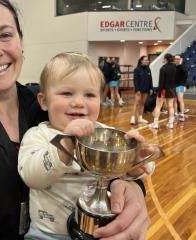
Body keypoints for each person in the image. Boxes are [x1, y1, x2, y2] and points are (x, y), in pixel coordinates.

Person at [0, 1, 151, 239]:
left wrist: (131, 185)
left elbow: (111, 163)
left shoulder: (54, 106)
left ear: (20, 41)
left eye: (5, 35)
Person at [18, 52, 153, 240]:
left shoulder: (105, 134)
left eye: (90, 95)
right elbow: (32, 177)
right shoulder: (38, 135)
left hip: (98, 231)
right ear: (44, 101)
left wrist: (135, 162)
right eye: (67, 93)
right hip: (46, 234)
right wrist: (65, 144)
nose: (79, 103)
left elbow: (126, 172)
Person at [149, 53, 176, 129]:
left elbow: (161, 82)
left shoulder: (163, 68)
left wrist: (159, 92)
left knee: (158, 106)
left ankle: (155, 124)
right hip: (172, 89)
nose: (162, 59)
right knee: (171, 106)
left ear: (166, 59)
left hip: (164, 89)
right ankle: (171, 124)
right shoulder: (175, 67)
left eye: (163, 58)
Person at [130, 56, 153, 125]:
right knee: (136, 103)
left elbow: (150, 80)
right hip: (139, 90)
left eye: (147, 60)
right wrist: (137, 90)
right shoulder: (137, 69)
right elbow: (135, 80)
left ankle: (140, 118)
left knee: (142, 104)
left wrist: (151, 88)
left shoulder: (148, 69)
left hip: (146, 89)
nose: (147, 61)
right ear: (141, 61)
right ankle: (132, 118)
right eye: (145, 60)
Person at [173, 54, 188, 121]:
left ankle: (182, 114)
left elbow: (186, 74)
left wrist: (180, 64)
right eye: (176, 59)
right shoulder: (173, 67)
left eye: (178, 59)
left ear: (180, 59)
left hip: (180, 86)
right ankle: (175, 113)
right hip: (173, 86)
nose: (177, 60)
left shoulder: (183, 66)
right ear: (174, 60)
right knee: (174, 100)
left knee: (180, 99)